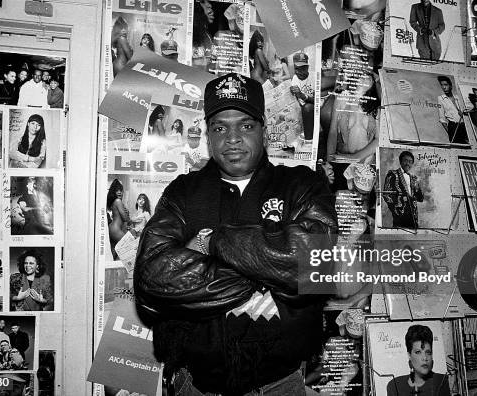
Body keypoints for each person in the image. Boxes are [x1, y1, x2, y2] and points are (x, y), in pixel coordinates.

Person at [134, 72, 337, 395]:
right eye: (219, 127)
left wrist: (210, 242)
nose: (232, 138)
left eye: (245, 125)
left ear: (264, 132)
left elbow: (314, 263)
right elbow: (153, 279)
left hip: (280, 383)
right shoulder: (184, 192)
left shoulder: (301, 184)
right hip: (198, 385)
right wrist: (270, 268)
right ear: (208, 136)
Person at [386, 325, 450, 396]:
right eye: (418, 352)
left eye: (428, 352)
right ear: (409, 355)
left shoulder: (443, 381)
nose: (425, 358)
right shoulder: (395, 386)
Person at [382, 151, 424, 229]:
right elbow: (386, 194)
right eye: (405, 160)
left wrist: (416, 187)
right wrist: (396, 210)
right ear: (400, 161)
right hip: (400, 214)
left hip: (413, 216)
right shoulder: (392, 174)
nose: (408, 163)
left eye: (410, 162)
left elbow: (420, 198)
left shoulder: (413, 178)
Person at [287, 52, 314, 151]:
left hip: (311, 109)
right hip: (300, 110)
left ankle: (309, 142)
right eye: (297, 69)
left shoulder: (314, 77)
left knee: (307, 107)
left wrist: (303, 96)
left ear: (307, 67)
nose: (299, 72)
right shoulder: (295, 78)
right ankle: (298, 137)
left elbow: (317, 101)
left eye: (302, 68)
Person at [437, 76, 467, 144]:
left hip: (464, 126)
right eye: (442, 85)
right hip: (453, 127)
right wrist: (450, 133)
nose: (443, 87)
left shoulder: (458, 97)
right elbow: (442, 119)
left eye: (445, 85)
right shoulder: (441, 98)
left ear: (450, 86)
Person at [106, 179, 130, 260]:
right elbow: (125, 218)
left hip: (113, 229)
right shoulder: (118, 201)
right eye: (117, 190)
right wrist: (127, 213)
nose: (119, 192)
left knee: (114, 254)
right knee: (129, 246)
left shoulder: (115, 202)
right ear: (114, 192)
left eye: (121, 190)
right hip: (115, 229)